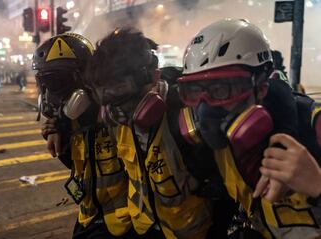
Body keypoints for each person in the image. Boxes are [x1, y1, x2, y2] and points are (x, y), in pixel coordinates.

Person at [177, 18, 321, 238]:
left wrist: (317, 185)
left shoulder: (313, 126)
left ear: (261, 88)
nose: (206, 110)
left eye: (222, 88)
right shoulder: (222, 146)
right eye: (196, 90)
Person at [85, 28, 232, 239]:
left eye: (121, 91)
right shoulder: (117, 123)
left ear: (153, 77)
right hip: (145, 229)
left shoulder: (188, 116)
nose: (117, 108)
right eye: (106, 95)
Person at [32, 33, 133, 239]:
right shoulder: (68, 122)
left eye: (59, 81)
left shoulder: (116, 114)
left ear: (85, 78)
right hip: (89, 216)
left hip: (123, 224)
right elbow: (82, 169)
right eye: (47, 83)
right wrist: (60, 135)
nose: (52, 93)